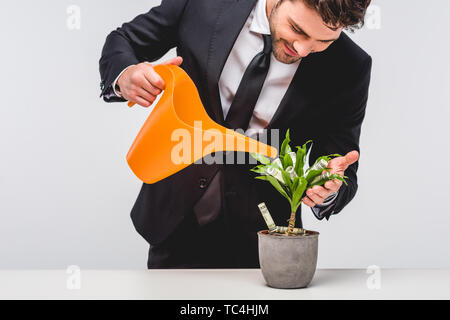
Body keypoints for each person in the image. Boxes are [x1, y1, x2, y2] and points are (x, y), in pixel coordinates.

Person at [99, 0, 372, 268]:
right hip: (174, 216)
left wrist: (327, 189)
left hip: (266, 240)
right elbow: (123, 40)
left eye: (323, 42)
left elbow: (340, 163)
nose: (302, 49)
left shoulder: (350, 67)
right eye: (297, 29)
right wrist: (125, 75)